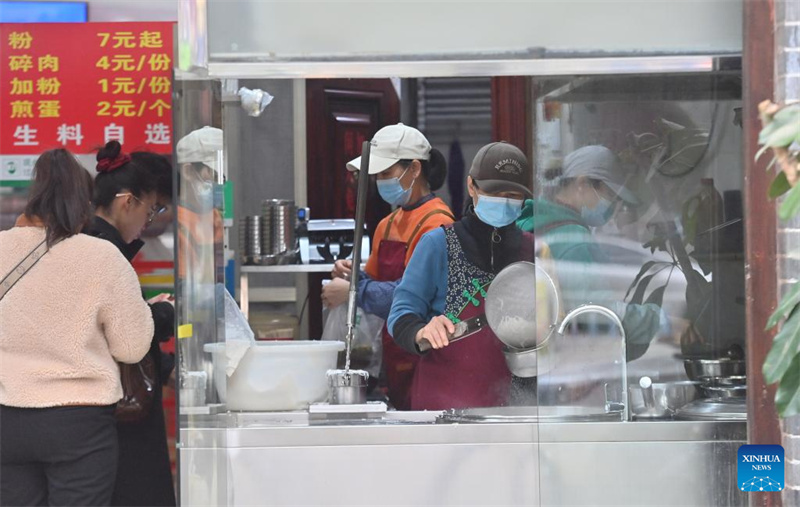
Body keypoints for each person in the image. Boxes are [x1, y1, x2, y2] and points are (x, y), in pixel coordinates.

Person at [0, 148, 153, 506]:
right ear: (85, 202)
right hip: (79, 423)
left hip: (7, 415)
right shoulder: (102, 256)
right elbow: (132, 346)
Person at [387, 141, 534, 410]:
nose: (503, 201)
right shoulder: (438, 244)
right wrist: (422, 332)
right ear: (471, 186)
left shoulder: (533, 249)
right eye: (493, 192)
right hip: (443, 406)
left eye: (512, 195)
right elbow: (401, 314)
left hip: (515, 408)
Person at [321, 123, 454, 409]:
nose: (379, 181)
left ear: (414, 169)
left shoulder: (438, 223)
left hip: (425, 349)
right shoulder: (387, 224)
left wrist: (352, 291)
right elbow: (377, 281)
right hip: (391, 351)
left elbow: (412, 297)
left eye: (385, 173)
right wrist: (351, 276)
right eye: (377, 175)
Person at [85, 141, 176, 507]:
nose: (148, 222)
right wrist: (162, 315)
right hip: (116, 414)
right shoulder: (103, 252)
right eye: (151, 211)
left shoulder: (93, 244)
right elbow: (120, 337)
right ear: (127, 202)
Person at [516, 145, 662, 361]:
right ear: (582, 184)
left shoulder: (533, 221)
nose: (612, 205)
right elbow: (599, 312)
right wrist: (660, 321)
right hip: (570, 359)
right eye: (609, 194)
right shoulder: (573, 239)